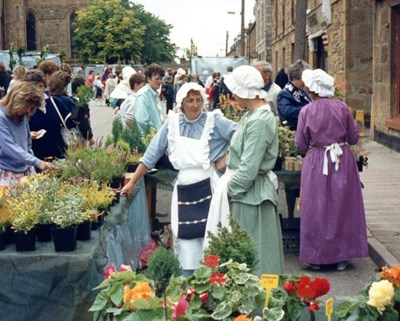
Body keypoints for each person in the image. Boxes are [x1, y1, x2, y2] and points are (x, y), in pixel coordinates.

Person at [121, 82, 237, 276]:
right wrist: (132, 181)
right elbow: (152, 154)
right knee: (186, 240)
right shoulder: (172, 124)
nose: (195, 104)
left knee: (211, 236)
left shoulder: (214, 121)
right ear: (181, 103)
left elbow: (243, 135)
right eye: (190, 100)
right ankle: (188, 284)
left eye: (198, 99)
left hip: (210, 186)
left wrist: (227, 158)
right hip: (183, 188)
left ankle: (213, 284)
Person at [295, 69, 368, 271]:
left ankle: (317, 257)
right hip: (341, 159)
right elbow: (354, 138)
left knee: (316, 208)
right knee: (342, 207)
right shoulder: (343, 108)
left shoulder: (306, 111)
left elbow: (300, 143)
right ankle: (341, 256)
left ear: (312, 90)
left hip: (317, 160)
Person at [222, 65, 284, 276]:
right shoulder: (252, 115)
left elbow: (249, 168)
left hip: (252, 196)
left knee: (256, 255)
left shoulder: (260, 120)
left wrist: (227, 190)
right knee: (247, 254)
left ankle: (260, 306)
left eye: (235, 90)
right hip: (248, 194)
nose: (232, 95)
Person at [0, 82, 57, 186]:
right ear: (18, 102)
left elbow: (27, 142)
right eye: (28, 107)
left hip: (25, 168)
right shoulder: (1, 117)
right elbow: (10, 147)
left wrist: (32, 162)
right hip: (7, 171)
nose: (29, 111)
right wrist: (37, 162)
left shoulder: (22, 116)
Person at [277, 59, 312, 220]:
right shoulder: (285, 93)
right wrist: (308, 110)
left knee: (307, 181)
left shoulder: (303, 91)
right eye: (303, 80)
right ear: (296, 78)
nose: (305, 84)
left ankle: (306, 213)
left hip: (308, 138)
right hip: (293, 141)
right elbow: (286, 111)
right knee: (292, 183)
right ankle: (291, 215)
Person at [25, 69, 75, 161]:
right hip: (37, 157)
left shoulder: (54, 102)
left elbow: (70, 123)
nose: (38, 90)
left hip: (59, 154)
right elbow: (16, 132)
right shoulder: (25, 107)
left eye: (40, 86)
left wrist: (79, 109)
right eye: (33, 87)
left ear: (44, 86)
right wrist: (28, 134)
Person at [49, 71, 94, 145]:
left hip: (53, 140)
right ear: (64, 86)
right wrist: (89, 137)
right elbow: (79, 120)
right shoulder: (69, 101)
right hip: (70, 138)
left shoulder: (48, 100)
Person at [134, 64, 165, 133]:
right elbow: (141, 120)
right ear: (148, 79)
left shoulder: (154, 93)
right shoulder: (143, 95)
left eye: (161, 79)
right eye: (157, 79)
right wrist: (155, 132)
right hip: (150, 137)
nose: (160, 81)